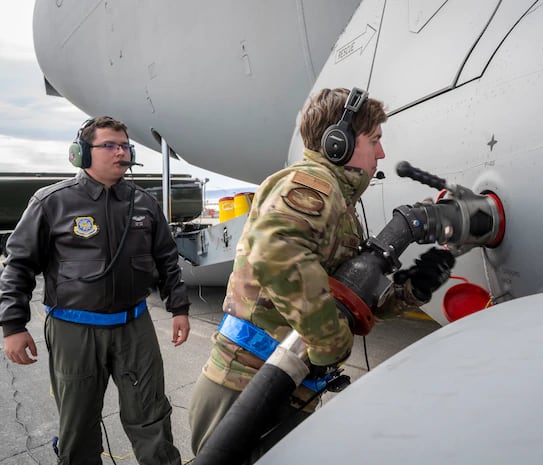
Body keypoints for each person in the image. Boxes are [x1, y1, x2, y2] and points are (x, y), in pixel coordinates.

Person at [188, 87, 455, 462]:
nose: (382, 152)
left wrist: (413, 289)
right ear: (338, 143)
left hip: (284, 387)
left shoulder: (338, 201)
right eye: (375, 139)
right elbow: (276, 250)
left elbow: (346, 297)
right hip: (246, 387)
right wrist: (330, 342)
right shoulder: (313, 187)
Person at [0, 116, 191, 465]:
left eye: (125, 146)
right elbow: (19, 265)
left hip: (134, 328)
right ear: (82, 154)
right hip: (74, 330)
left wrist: (179, 308)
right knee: (78, 424)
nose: (122, 153)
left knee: (151, 415)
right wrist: (13, 325)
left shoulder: (145, 204)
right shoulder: (51, 202)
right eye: (110, 146)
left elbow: (166, 259)